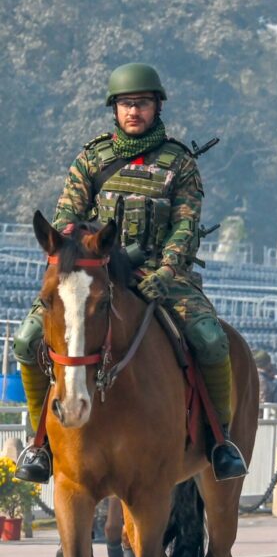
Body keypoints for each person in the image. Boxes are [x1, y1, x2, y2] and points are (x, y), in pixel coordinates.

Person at [14, 63, 248, 484]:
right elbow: (68, 219)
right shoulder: (91, 158)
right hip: (94, 273)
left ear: (156, 106)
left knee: (212, 341)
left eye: (140, 103)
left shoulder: (179, 163)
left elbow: (186, 225)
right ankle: (40, 445)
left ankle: (220, 441)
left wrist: (167, 269)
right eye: (125, 104)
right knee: (27, 338)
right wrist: (78, 252)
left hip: (162, 274)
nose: (133, 111)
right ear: (115, 110)